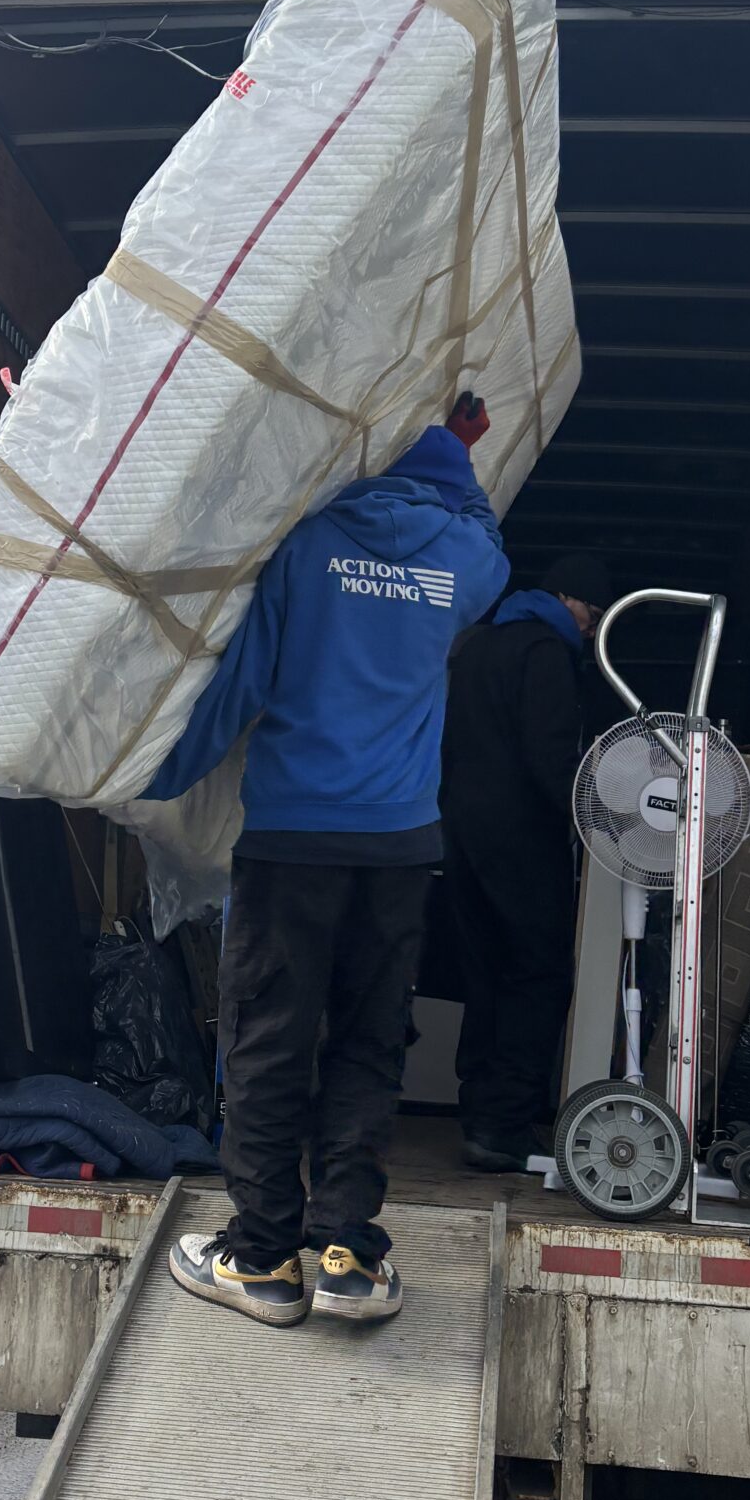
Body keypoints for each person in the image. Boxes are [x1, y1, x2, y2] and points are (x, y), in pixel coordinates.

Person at [141, 399, 509, 1327]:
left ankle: (263, 1258)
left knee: (268, 1040)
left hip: (292, 841)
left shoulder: (303, 549)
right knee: (368, 1040)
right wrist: (458, 453)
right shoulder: (464, 562)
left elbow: (240, 687)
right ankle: (347, 1252)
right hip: (398, 850)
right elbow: (486, 532)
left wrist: (149, 774)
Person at [439, 551, 616, 1171]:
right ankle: (505, 1123)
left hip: (461, 834)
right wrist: (597, 818)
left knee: (484, 973)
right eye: (593, 615)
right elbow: (549, 758)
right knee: (538, 972)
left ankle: (476, 1112)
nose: (591, 631)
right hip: (521, 840)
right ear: (567, 600)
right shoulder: (545, 654)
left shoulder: (475, 646)